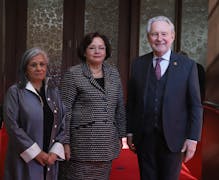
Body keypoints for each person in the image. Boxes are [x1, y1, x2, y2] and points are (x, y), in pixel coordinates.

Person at [126, 16, 203, 180]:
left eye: (164, 34)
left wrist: (193, 138)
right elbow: (132, 102)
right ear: (148, 38)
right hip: (144, 138)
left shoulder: (187, 66)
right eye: (154, 34)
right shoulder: (138, 64)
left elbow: (195, 105)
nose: (159, 39)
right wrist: (130, 130)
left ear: (172, 36)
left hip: (174, 140)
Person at [59, 32, 126, 180]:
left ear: (106, 51)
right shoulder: (73, 74)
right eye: (92, 48)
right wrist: (64, 142)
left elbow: (119, 106)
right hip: (80, 147)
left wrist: (122, 134)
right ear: (84, 51)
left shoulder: (113, 73)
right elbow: (65, 111)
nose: (97, 51)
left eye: (101, 48)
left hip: (106, 144)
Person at [3, 47, 67, 180]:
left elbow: (63, 123)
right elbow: (12, 127)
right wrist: (37, 153)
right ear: (25, 69)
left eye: (42, 64)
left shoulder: (53, 92)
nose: (39, 68)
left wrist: (54, 153)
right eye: (33, 65)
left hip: (50, 159)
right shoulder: (15, 92)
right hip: (24, 159)